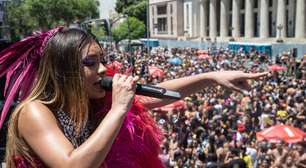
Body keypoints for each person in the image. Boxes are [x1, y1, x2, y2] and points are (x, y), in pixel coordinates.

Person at [0, 27, 268, 168]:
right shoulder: (34, 112)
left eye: (102, 60)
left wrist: (212, 77)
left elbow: (154, 95)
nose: (104, 69)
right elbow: (72, 165)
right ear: (62, 71)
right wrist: (118, 109)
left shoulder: (93, 102)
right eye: (90, 62)